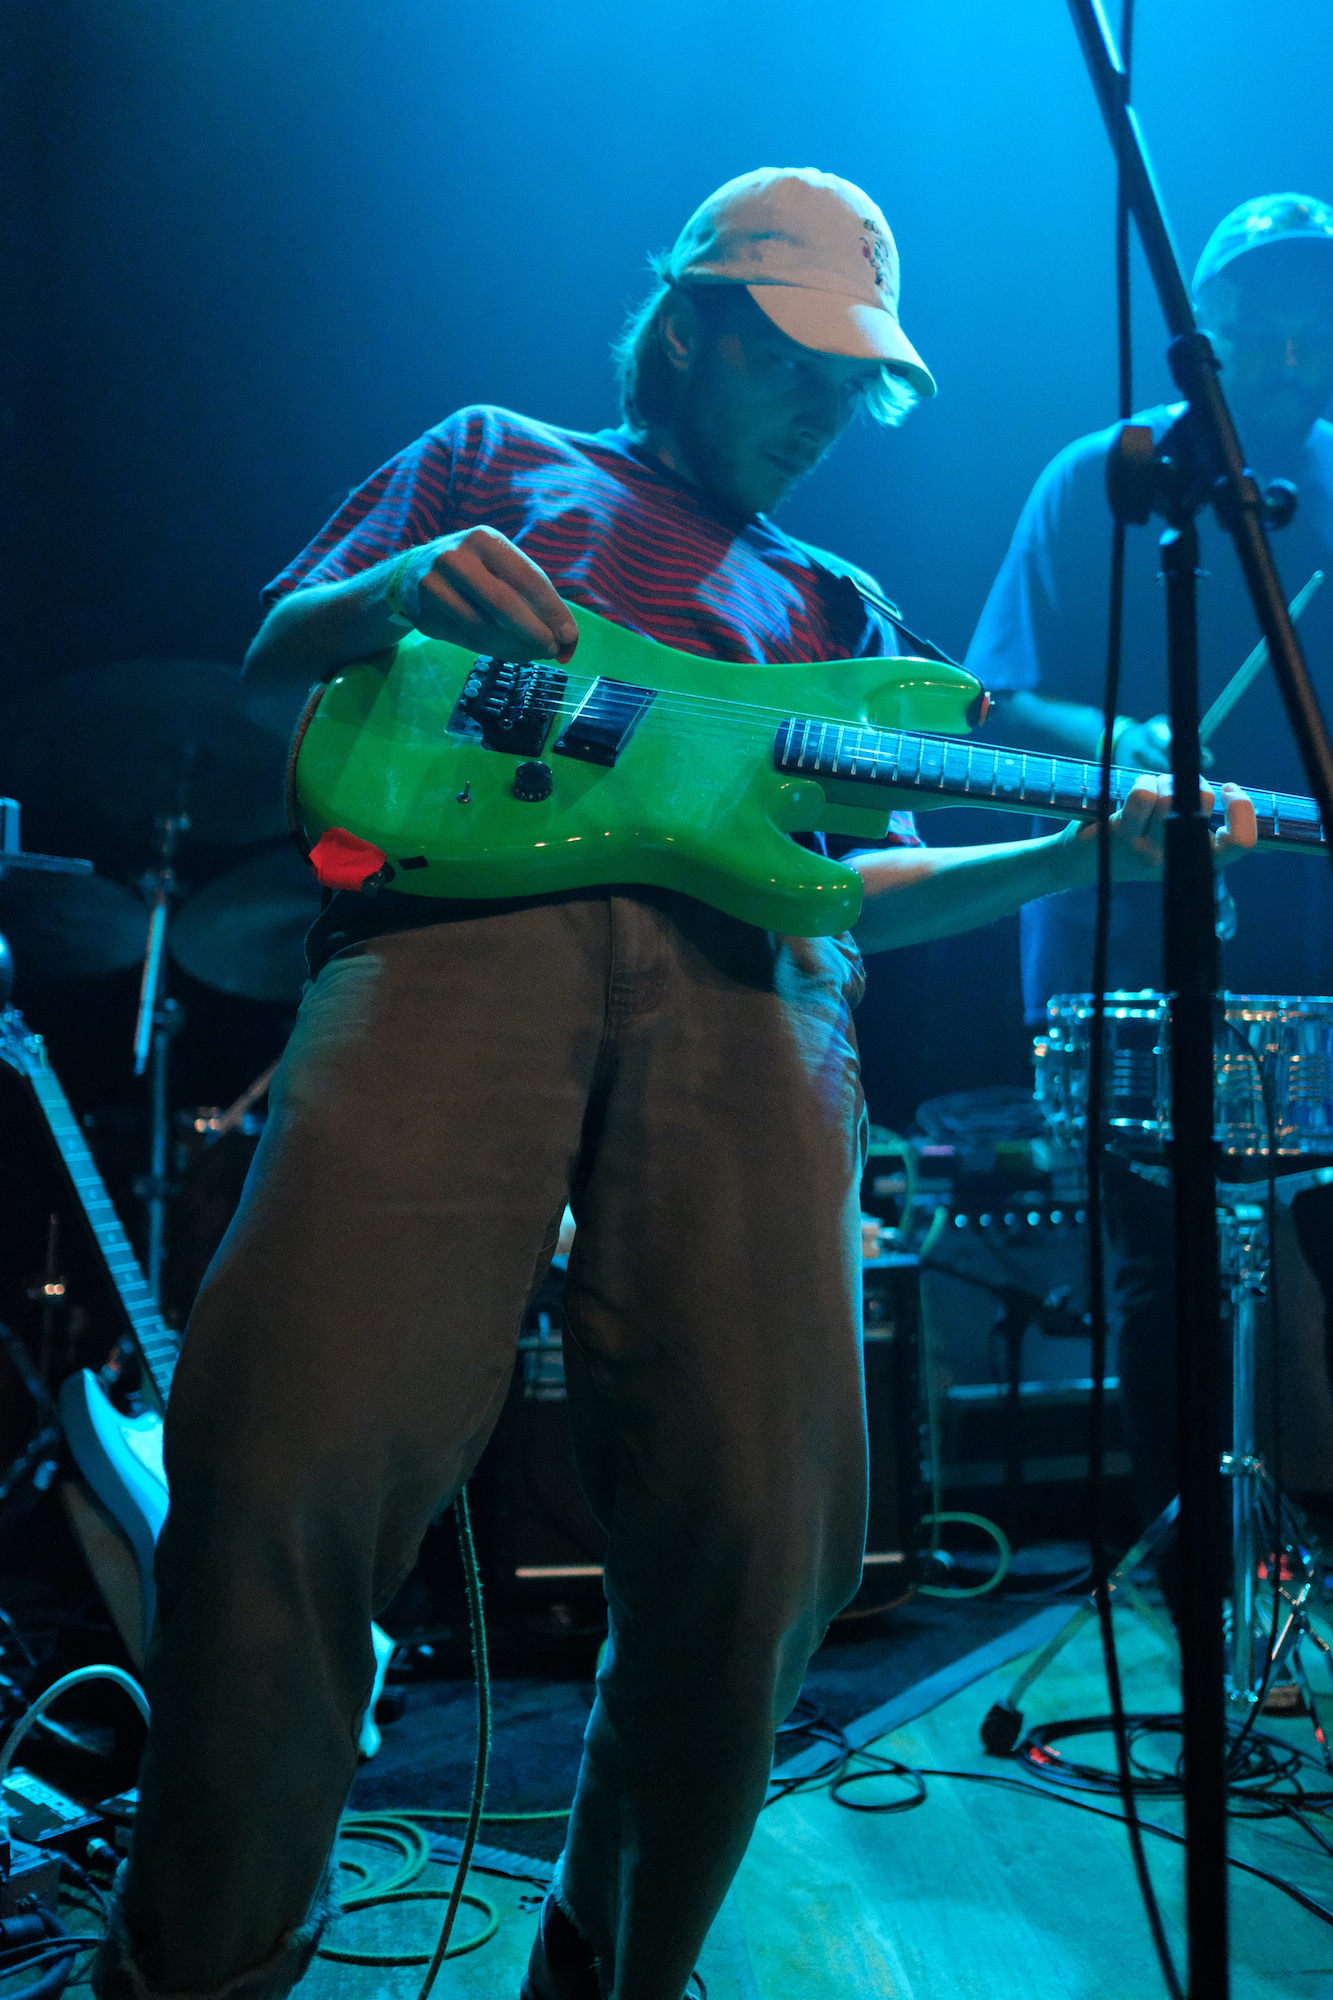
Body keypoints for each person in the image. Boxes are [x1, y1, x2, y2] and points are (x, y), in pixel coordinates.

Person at [93, 168, 1255, 2000]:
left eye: (852, 385)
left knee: (767, 1539)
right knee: (279, 1472)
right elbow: (275, 651)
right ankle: (199, 1972)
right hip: (457, 947)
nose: (822, 410)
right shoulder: (494, 453)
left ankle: (611, 1969)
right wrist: (398, 585)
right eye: (792, 362)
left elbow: (857, 887)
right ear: (689, 328)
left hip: (757, 1000)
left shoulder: (838, 607)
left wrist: (1082, 849)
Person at [964, 192, 1333, 1617]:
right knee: (1163, 1258)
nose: (1291, 357)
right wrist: (1130, 741)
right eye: (1262, 327)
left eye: (1314, 330)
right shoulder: (1099, 482)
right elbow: (997, 699)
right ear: (1204, 332)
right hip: (1125, 924)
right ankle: (1200, 1584)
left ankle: (1302, 1550)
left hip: (1307, 925)